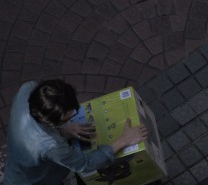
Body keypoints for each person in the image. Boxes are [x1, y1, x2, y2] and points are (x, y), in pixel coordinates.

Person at [5, 79, 148, 185]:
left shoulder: (27, 90)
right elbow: (85, 164)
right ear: (51, 122)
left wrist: (63, 129)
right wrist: (123, 140)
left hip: (17, 164)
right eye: (68, 118)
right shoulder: (51, 145)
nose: (73, 117)